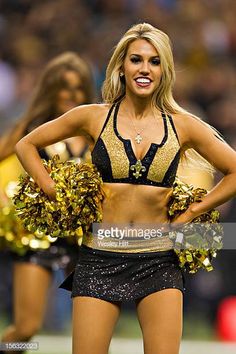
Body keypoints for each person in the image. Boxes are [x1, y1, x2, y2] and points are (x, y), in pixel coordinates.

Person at [15, 23, 236, 354]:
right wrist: (52, 190)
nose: (145, 68)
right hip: (100, 255)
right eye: (136, 59)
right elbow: (26, 145)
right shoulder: (93, 117)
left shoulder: (183, 124)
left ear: (165, 71)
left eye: (155, 61)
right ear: (121, 66)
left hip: (159, 257)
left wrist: (193, 211)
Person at [0, 52, 94, 354]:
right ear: (51, 89)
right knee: (26, 329)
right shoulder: (31, 127)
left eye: (79, 88)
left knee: (91, 328)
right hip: (36, 238)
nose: (71, 95)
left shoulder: (98, 131)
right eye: (64, 87)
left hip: (84, 239)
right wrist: (4, 202)